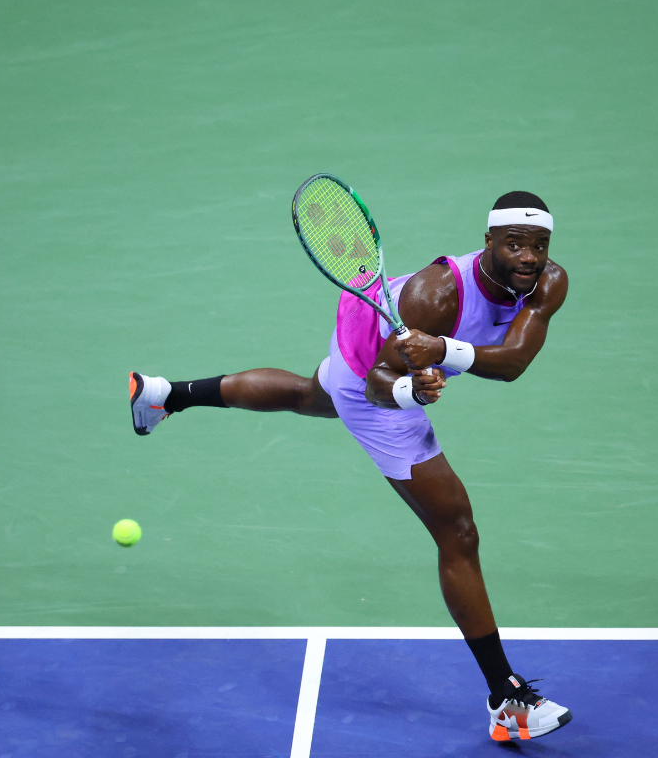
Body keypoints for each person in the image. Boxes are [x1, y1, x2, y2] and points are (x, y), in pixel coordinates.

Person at [129, 190, 571, 741]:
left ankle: (166, 395)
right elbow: (377, 389)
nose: (529, 257)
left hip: (380, 342)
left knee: (306, 395)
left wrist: (442, 352)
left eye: (539, 245)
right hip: (370, 376)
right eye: (514, 245)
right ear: (488, 242)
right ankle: (507, 699)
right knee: (457, 531)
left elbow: (513, 364)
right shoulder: (435, 295)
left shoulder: (548, 281)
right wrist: (412, 389)